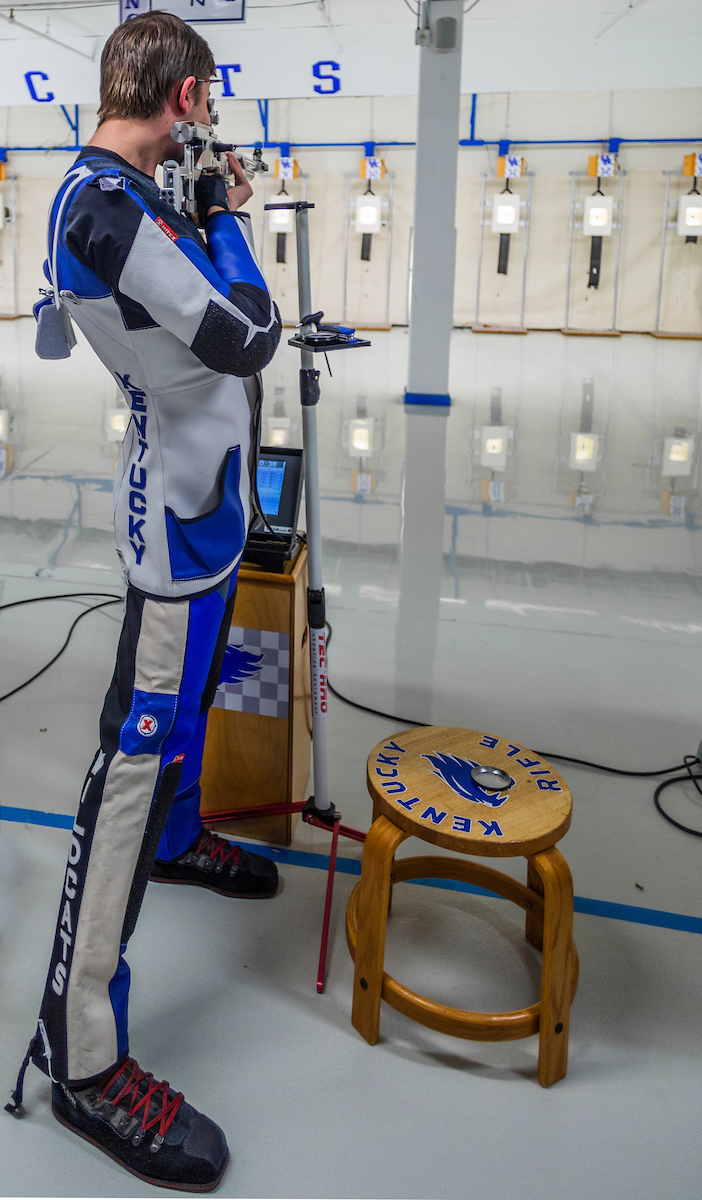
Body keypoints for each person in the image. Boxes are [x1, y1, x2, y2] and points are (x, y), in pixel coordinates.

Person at [6, 12, 282, 1192]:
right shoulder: (106, 207)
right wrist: (224, 210)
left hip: (207, 511)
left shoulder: (133, 188)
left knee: (186, 729)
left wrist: (203, 197)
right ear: (182, 97)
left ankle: (177, 839)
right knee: (131, 760)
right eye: (205, 105)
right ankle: (82, 1056)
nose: (209, 126)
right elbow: (247, 334)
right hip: (173, 530)